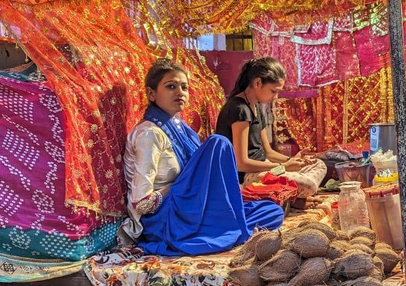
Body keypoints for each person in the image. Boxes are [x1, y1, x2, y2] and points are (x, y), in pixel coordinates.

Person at [121, 59, 284, 256]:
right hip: (166, 218)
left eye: (184, 87)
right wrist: (181, 185)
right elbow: (142, 204)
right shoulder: (149, 134)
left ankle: (214, 230)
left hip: (190, 206)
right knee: (218, 143)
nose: (180, 92)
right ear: (151, 94)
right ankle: (211, 232)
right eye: (171, 86)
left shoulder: (183, 129)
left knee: (272, 212)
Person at [215, 57, 327, 198]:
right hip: (248, 176)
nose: (275, 97)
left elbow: (268, 152)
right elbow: (241, 163)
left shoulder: (256, 106)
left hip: (265, 167)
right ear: (257, 83)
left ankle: (288, 196)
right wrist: (282, 168)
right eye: (273, 91)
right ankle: (289, 197)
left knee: (319, 164)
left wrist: (291, 160)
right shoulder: (239, 109)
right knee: (309, 185)